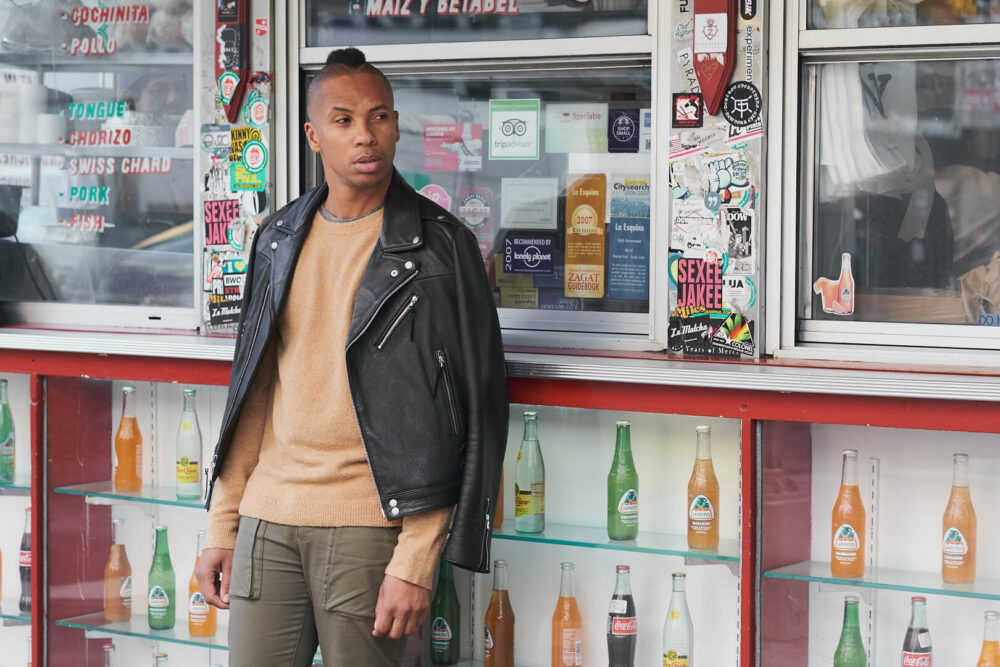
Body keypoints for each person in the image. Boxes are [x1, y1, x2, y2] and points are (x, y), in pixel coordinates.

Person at [195, 47, 508, 666]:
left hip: (373, 526)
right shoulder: (277, 238)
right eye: (343, 120)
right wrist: (222, 526)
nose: (366, 135)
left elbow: (476, 409)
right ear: (313, 135)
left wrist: (418, 558)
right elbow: (253, 393)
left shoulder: (441, 248)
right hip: (268, 520)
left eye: (381, 116)